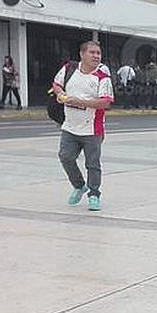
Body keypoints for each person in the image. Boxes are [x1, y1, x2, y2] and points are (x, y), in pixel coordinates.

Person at [52, 40, 114, 212]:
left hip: (92, 129)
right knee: (65, 157)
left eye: (98, 53)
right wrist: (60, 93)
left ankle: (94, 194)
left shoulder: (102, 77)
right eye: (92, 52)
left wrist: (79, 101)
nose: (95, 56)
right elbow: (56, 84)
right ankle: (79, 185)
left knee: (92, 163)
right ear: (82, 54)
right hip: (70, 126)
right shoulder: (69, 69)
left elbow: (105, 103)